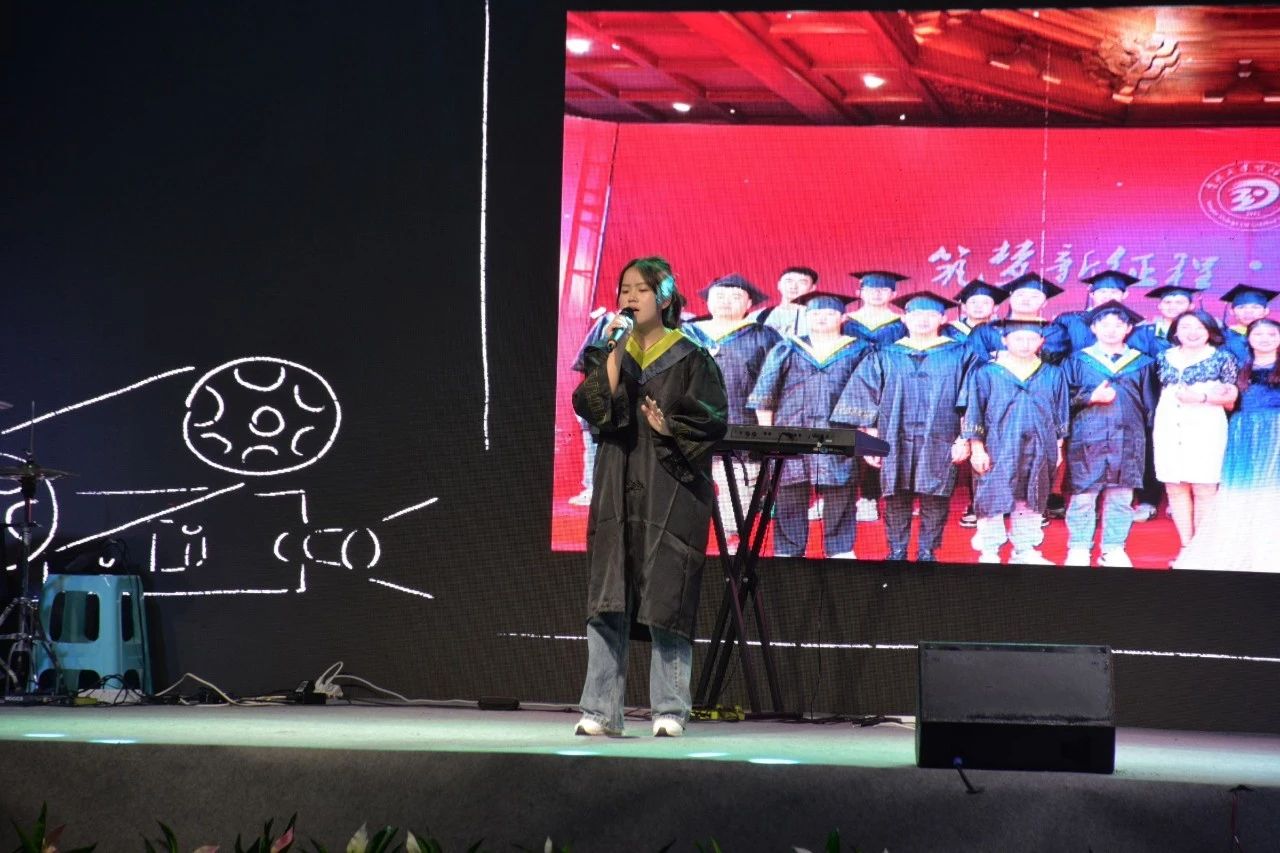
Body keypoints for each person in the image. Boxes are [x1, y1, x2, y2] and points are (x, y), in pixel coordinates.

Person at [572, 256, 728, 738]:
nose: (630, 297)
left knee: (667, 594)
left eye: (641, 289)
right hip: (616, 482)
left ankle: (670, 709)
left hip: (671, 484)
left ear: (664, 298)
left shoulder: (691, 356)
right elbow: (592, 404)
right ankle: (600, 710)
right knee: (609, 595)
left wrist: (670, 427)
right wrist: (614, 348)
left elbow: (712, 419)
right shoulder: (608, 350)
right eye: (625, 289)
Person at [832, 291, 973, 561]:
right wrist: (869, 437)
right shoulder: (885, 354)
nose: (923, 320)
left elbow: (972, 398)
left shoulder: (961, 354)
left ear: (943, 318)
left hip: (942, 436)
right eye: (916, 314)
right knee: (895, 492)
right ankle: (896, 550)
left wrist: (964, 438)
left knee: (936, 493)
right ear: (904, 319)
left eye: (930, 314)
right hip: (892, 435)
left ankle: (927, 551)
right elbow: (865, 393)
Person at [749, 291, 869, 558]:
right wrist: (766, 432)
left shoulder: (859, 350)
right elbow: (766, 391)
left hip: (839, 430)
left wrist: (866, 429)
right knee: (790, 490)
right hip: (791, 429)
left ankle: (840, 550)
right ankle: (788, 551)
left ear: (843, 317)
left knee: (841, 489)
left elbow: (869, 393)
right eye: (815, 313)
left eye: (830, 313)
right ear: (806, 316)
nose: (822, 318)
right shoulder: (787, 347)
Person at [1175, 318, 1280, 571]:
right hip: (1243, 432)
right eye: (1258, 334)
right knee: (1242, 490)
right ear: (1248, 339)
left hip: (1276, 432)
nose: (1265, 339)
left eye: (1271, 334)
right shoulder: (1239, 367)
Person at [962, 318, 1070, 565]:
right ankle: (989, 551)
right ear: (1004, 340)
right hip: (997, 446)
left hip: (1041, 445)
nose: (1025, 344)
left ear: (1041, 341)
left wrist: (1058, 447)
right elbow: (975, 411)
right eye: (1018, 338)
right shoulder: (986, 373)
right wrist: (977, 448)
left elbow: (1061, 412)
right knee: (993, 496)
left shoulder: (1053, 374)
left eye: (1031, 338)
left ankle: (1024, 550)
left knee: (1032, 496)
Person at [1060, 302, 1158, 567]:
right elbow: (1062, 399)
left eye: (1118, 324)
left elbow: (1151, 406)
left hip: (1129, 439)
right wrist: (1089, 397)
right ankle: (1079, 547)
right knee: (1083, 497)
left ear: (1128, 329)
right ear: (1093, 328)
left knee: (1121, 497)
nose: (1111, 330)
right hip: (1087, 438)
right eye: (1104, 324)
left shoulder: (1143, 363)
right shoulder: (1076, 360)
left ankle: (1113, 548)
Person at [691, 275, 781, 543]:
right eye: (719, 296)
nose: (726, 302)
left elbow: (777, 381)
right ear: (707, 301)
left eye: (735, 297)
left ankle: (731, 540)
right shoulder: (686, 334)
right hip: (693, 421)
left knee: (742, 482)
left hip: (745, 420)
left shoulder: (765, 335)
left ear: (750, 303)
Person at [1151, 309, 1238, 565]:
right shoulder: (1163, 357)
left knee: (1204, 487)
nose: (1192, 333)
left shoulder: (1222, 358)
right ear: (1175, 331)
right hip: (1168, 425)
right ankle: (1186, 547)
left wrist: (1201, 397)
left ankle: (1202, 550)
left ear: (1210, 331)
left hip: (1206, 426)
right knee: (1175, 487)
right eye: (1186, 327)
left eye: (1200, 327)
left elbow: (1231, 399)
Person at [841, 269, 909, 522]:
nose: (877, 293)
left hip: (889, 387)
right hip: (848, 385)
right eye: (871, 289)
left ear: (894, 293)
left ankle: (874, 496)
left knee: (882, 438)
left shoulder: (903, 324)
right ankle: (843, 497)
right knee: (849, 438)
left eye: (883, 289)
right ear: (859, 292)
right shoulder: (845, 322)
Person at [1126, 284, 1196, 521]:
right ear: (1159, 305)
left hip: (1191, 400)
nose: (1173, 306)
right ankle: (1148, 500)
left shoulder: (1199, 331)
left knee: (1189, 445)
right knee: (1150, 448)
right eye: (1168, 302)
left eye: (1179, 302)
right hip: (1151, 397)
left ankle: (1183, 500)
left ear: (1191, 306)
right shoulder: (1142, 333)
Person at [942, 279, 1009, 528]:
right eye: (973, 302)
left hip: (986, 395)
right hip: (949, 393)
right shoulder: (948, 332)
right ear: (962, 305)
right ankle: (936, 498)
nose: (979, 306)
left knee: (985, 447)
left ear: (995, 307)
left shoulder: (1001, 332)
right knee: (951, 447)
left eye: (985, 302)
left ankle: (980, 502)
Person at [1041, 271, 1139, 363]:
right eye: (1102, 292)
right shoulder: (1068, 321)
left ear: (1125, 294)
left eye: (1114, 292)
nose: (1108, 296)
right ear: (1092, 294)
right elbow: (1052, 356)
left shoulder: (1132, 324)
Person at [967, 272, 1066, 363]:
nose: (1026, 300)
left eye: (1034, 296)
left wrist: (1005, 357)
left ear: (1045, 303)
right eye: (1020, 294)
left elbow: (1052, 363)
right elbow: (973, 363)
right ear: (1010, 297)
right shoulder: (985, 330)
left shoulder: (1053, 331)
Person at [752, 266, 820, 338]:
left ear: (812, 288)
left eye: (802, 282)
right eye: (789, 281)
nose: (794, 287)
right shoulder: (759, 315)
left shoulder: (818, 316)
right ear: (779, 285)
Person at [1219, 284, 1278, 366]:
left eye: (1255, 307)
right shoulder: (1221, 337)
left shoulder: (1277, 335)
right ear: (1231, 312)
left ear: (1266, 311)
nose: (1248, 311)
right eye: (1241, 307)